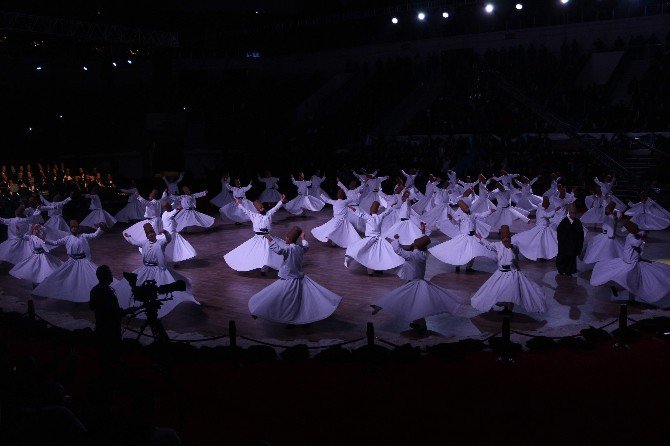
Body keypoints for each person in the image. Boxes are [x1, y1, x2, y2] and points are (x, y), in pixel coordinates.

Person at [372, 228, 463, 331]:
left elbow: (397, 250)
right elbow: (421, 244)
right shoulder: (422, 255)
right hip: (419, 282)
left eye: (415, 242)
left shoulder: (412, 256)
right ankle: (419, 324)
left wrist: (396, 239)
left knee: (400, 297)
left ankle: (380, 306)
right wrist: (423, 232)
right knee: (415, 304)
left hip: (414, 284)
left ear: (416, 245)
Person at [248, 227, 342, 325]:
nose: (285, 239)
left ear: (289, 238)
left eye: (286, 238)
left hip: (289, 279)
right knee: (299, 299)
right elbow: (306, 246)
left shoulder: (288, 249)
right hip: (299, 277)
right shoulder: (300, 249)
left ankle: (265, 312)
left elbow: (279, 250)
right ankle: (299, 316)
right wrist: (303, 238)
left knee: (278, 296)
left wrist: (270, 239)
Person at [116, 223, 200, 318]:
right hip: (147, 269)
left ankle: (163, 303)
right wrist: (129, 237)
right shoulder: (144, 243)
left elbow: (168, 239)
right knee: (141, 284)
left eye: (152, 232)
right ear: (146, 236)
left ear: (154, 233)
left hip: (158, 269)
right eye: (148, 234)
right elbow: (134, 242)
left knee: (162, 285)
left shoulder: (160, 242)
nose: (151, 235)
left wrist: (165, 232)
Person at [590, 220, 670, 303]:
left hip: (633, 261)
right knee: (624, 278)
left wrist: (641, 235)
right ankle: (622, 291)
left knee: (631, 279)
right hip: (629, 263)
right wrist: (641, 235)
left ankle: (631, 296)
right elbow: (638, 243)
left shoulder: (635, 237)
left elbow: (639, 248)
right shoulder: (632, 238)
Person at [471, 227, 547, 313]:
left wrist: (517, 267)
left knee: (512, 290)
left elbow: (516, 258)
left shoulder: (514, 247)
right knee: (498, 290)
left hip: (512, 273)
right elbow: (488, 245)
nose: (506, 239)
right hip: (501, 273)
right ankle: (503, 305)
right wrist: (480, 238)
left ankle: (509, 310)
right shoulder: (497, 245)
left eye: (508, 238)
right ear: (501, 238)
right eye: (504, 238)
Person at [33, 221, 105, 303]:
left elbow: (94, 235)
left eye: (76, 227)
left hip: (82, 261)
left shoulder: (83, 236)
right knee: (67, 277)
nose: (74, 229)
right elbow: (55, 242)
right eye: (72, 227)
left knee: (84, 278)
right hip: (72, 262)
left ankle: (83, 294)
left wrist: (100, 228)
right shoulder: (67, 238)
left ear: (78, 228)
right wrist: (43, 239)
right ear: (70, 229)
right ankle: (70, 293)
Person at [428, 200, 496, 274]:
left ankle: (469, 267)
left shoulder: (473, 214)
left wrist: (490, 211)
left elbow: (482, 215)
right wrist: (451, 219)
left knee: (473, 251)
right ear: (462, 209)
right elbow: (455, 223)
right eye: (465, 208)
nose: (467, 209)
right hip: (464, 236)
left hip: (473, 236)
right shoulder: (461, 217)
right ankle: (458, 264)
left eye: (467, 207)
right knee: (460, 251)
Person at [224, 196, 286, 274]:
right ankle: (262, 267)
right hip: (258, 238)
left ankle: (266, 268)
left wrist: (281, 201)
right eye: (260, 208)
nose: (262, 209)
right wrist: (239, 204)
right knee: (260, 253)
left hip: (268, 237)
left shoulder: (268, 214)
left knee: (268, 252)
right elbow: (245, 211)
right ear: (257, 209)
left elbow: (276, 208)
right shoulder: (254, 215)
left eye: (262, 207)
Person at [344, 201, 404, 275]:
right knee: (376, 255)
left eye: (373, 206)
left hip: (370, 239)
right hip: (378, 240)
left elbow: (359, 213)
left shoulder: (369, 217)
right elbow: (387, 211)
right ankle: (375, 269)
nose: (373, 207)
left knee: (361, 250)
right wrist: (391, 205)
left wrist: (351, 208)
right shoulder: (380, 216)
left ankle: (370, 270)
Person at [89, 265, 125, 355]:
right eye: (110, 274)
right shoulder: (108, 293)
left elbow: (92, 307)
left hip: (100, 327)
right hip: (111, 330)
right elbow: (114, 313)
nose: (112, 275)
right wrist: (127, 311)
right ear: (107, 276)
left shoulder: (94, 290)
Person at [511, 196, 558, 261]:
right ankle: (542, 254)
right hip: (541, 229)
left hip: (544, 228)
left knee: (545, 242)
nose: (549, 205)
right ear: (544, 203)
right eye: (548, 203)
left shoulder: (540, 207)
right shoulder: (541, 210)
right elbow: (548, 215)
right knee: (541, 242)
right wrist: (555, 210)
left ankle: (543, 255)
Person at [161, 200, 196, 266]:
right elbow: (174, 212)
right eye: (169, 207)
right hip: (171, 234)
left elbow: (172, 211)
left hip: (168, 234)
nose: (170, 207)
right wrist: (178, 208)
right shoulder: (168, 214)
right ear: (167, 208)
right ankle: (176, 261)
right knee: (175, 247)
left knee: (170, 248)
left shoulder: (164, 213)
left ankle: (175, 261)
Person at [555, 204, 584, 276]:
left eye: (575, 213)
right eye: (572, 213)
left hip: (574, 245)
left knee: (571, 258)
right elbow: (560, 232)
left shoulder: (577, 221)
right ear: (569, 213)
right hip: (565, 245)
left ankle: (569, 271)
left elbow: (581, 234)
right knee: (563, 258)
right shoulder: (564, 222)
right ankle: (561, 269)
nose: (573, 215)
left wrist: (579, 244)